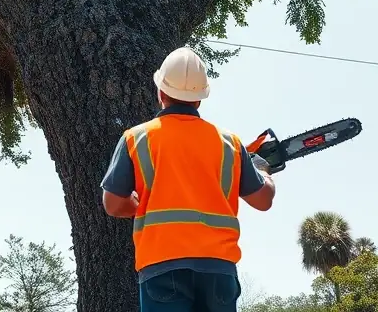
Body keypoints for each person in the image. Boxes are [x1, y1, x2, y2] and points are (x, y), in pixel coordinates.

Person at [100, 47, 276, 312]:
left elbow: (113, 204)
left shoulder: (136, 139)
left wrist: (139, 208)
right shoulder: (230, 143)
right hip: (218, 267)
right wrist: (264, 173)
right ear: (200, 99)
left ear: (160, 92)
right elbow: (262, 201)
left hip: (162, 264)